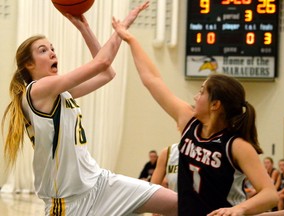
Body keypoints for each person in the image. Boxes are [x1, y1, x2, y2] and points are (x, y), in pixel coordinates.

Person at [1, 2, 178, 216]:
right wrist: (124, 28)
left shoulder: (60, 93)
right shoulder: (38, 90)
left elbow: (107, 73)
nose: (52, 53)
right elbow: (102, 62)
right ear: (29, 65)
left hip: (101, 183)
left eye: (52, 49)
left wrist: (84, 27)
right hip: (69, 203)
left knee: (179, 203)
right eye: (43, 50)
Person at [111, 18, 279, 215]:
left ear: (215, 105)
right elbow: (153, 80)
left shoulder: (236, 146)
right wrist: (130, 39)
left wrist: (240, 209)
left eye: (201, 92)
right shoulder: (188, 122)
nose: (195, 97)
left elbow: (270, 194)